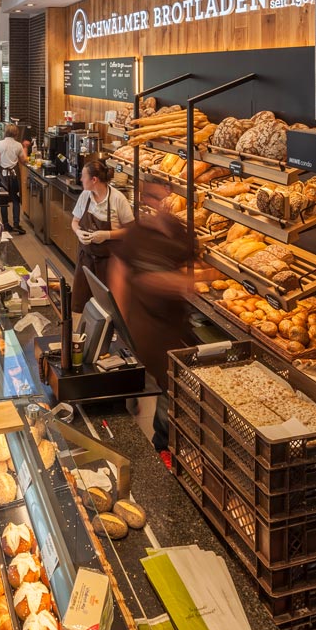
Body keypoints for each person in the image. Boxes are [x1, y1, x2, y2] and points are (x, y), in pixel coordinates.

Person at [108, 178, 195, 452]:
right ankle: (133, 425)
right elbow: (119, 275)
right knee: (150, 378)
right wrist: (120, 320)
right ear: (147, 202)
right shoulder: (137, 234)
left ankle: (161, 444)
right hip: (143, 323)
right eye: (156, 199)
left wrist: (188, 282)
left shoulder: (181, 232)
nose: (163, 204)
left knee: (169, 387)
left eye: (167, 197)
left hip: (172, 325)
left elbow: (189, 270)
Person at [70, 160, 134, 314]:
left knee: (108, 309)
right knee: (84, 305)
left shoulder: (117, 199)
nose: (80, 179)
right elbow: (75, 221)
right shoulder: (85, 196)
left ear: (94, 180)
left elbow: (131, 231)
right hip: (86, 260)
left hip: (109, 263)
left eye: (83, 176)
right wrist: (78, 232)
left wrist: (107, 235)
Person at [0, 124, 27, 234]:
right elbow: (24, 161)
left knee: (4, 200)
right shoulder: (18, 145)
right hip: (14, 176)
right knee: (15, 200)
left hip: (3, 176)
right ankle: (16, 224)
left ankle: (5, 224)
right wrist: (26, 148)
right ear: (16, 134)